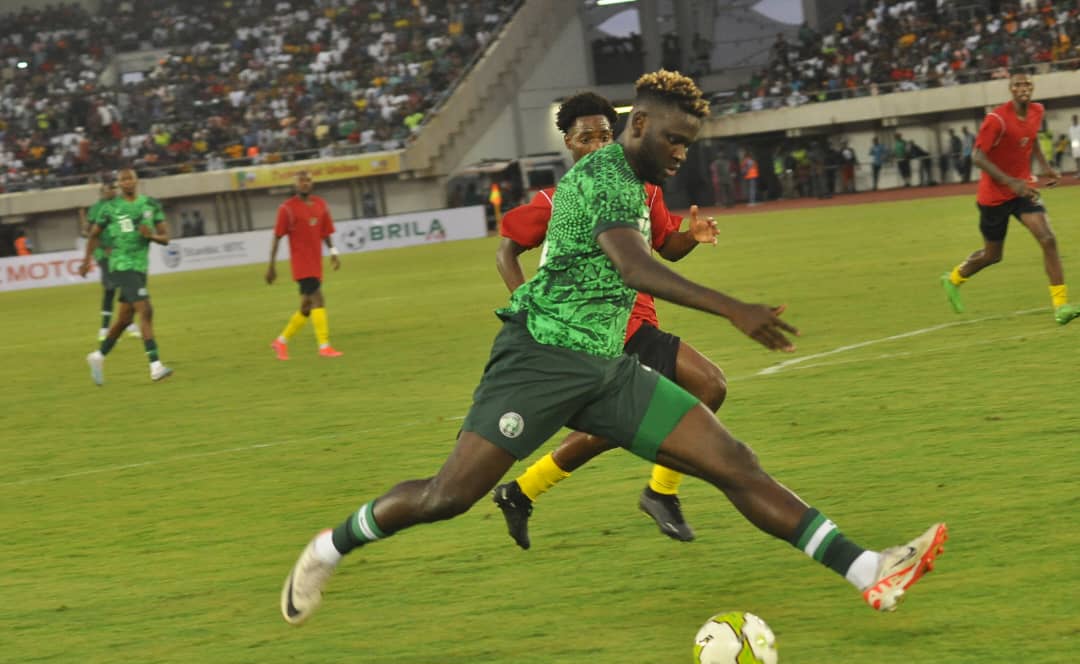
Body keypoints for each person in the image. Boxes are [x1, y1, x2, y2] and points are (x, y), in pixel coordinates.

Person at [280, 69, 947, 627]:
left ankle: (869, 570)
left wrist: (688, 248)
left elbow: (648, 255)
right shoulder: (601, 178)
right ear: (640, 125)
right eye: (674, 139)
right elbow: (633, 267)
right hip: (538, 361)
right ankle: (328, 548)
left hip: (605, 367)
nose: (682, 153)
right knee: (446, 497)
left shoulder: (637, 184)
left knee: (735, 462)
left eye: (689, 143)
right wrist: (732, 307)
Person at [491, 91, 724, 548]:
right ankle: (661, 492)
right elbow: (506, 252)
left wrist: (691, 237)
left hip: (635, 322)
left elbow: (666, 247)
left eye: (604, 136)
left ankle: (520, 491)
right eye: (586, 138)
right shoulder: (558, 198)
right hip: (605, 331)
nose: (597, 146)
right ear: (568, 143)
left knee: (609, 430)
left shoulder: (644, 188)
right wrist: (526, 306)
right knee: (709, 384)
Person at [940, 70, 1079, 326]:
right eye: (1018, 84)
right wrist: (1010, 181)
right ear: (1011, 89)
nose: (1023, 87)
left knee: (1048, 239)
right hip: (994, 197)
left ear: (1032, 87)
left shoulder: (1037, 111)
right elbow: (977, 156)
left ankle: (1061, 307)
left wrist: (1045, 167)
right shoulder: (996, 119)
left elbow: (1031, 138)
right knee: (992, 255)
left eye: (1027, 83)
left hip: (1023, 190)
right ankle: (954, 278)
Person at [79, 168, 173, 384]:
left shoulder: (150, 204)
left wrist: (152, 236)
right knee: (146, 309)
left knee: (124, 320)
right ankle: (155, 366)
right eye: (123, 179)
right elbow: (94, 234)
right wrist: (86, 261)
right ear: (119, 184)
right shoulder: (110, 208)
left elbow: (166, 238)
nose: (127, 182)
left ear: (136, 181)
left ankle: (98, 356)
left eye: (130, 178)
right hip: (121, 264)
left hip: (140, 266)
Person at [266, 170, 343, 359]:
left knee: (306, 308)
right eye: (301, 181)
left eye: (308, 180)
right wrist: (271, 266)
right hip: (302, 264)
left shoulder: (321, 205)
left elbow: (325, 232)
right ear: (295, 184)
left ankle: (280, 342)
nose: (305, 183)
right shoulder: (287, 209)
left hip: (316, 263)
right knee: (319, 300)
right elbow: (277, 237)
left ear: (312, 183)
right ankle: (324, 346)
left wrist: (333, 252)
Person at [80, 177, 141, 342]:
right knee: (111, 288)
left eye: (114, 188)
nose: (113, 191)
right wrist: (103, 245)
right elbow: (88, 232)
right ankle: (105, 329)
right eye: (110, 189)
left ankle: (126, 324)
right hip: (103, 253)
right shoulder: (96, 208)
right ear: (103, 192)